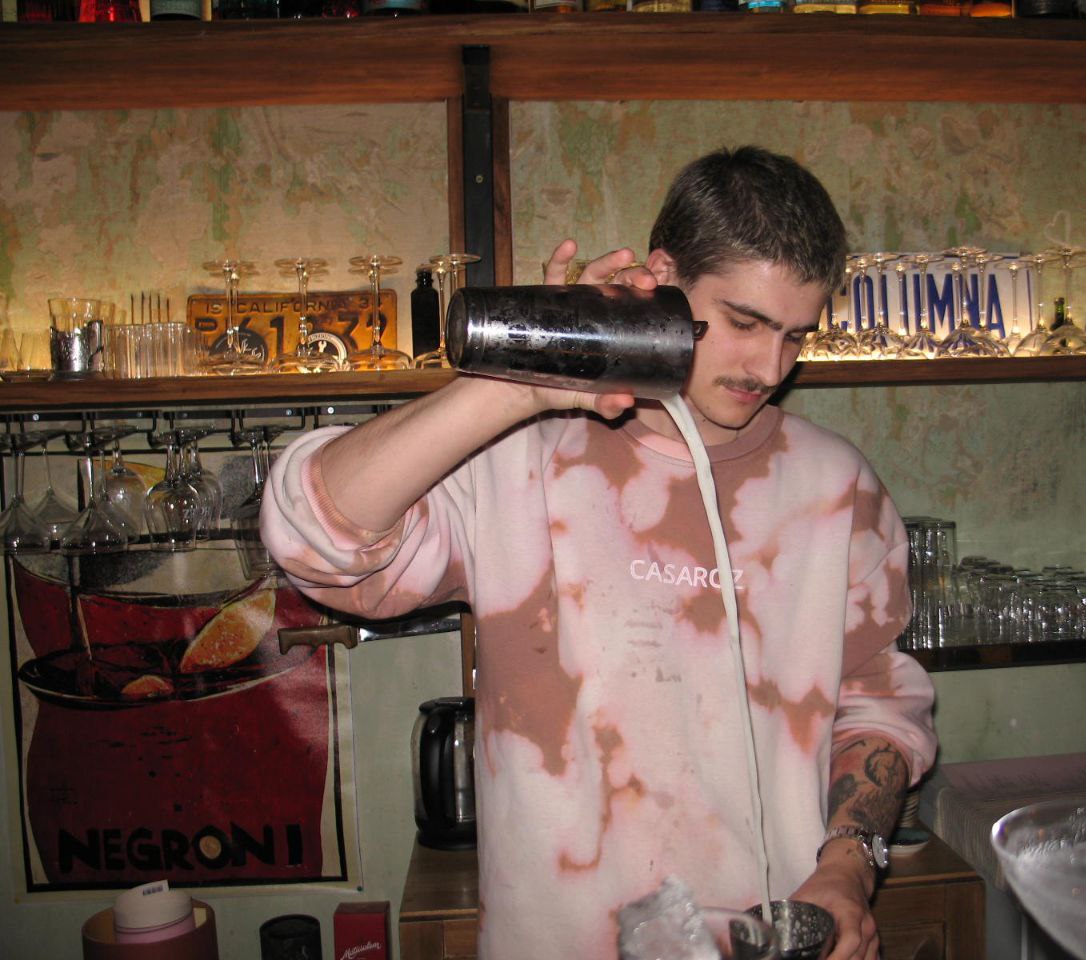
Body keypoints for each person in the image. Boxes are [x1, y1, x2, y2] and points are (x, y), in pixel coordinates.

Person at [261, 145, 936, 960]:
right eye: (744, 323)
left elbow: (879, 705)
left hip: (773, 940)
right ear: (663, 277)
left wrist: (848, 868)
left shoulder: (836, 487)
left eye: (797, 336)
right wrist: (518, 386)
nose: (770, 367)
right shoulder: (523, 458)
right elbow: (314, 537)